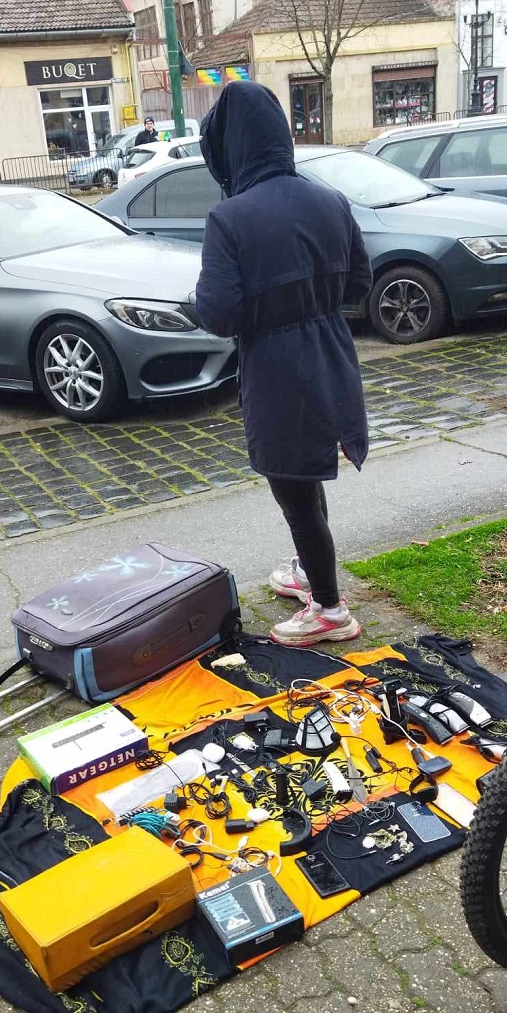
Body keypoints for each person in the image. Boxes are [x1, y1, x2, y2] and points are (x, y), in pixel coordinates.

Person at [195, 81, 372, 648]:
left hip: (277, 367)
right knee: (309, 473)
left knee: (294, 492)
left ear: (230, 145)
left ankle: (329, 610)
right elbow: (360, 285)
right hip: (331, 354)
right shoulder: (330, 201)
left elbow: (218, 314)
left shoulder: (230, 218)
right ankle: (309, 573)